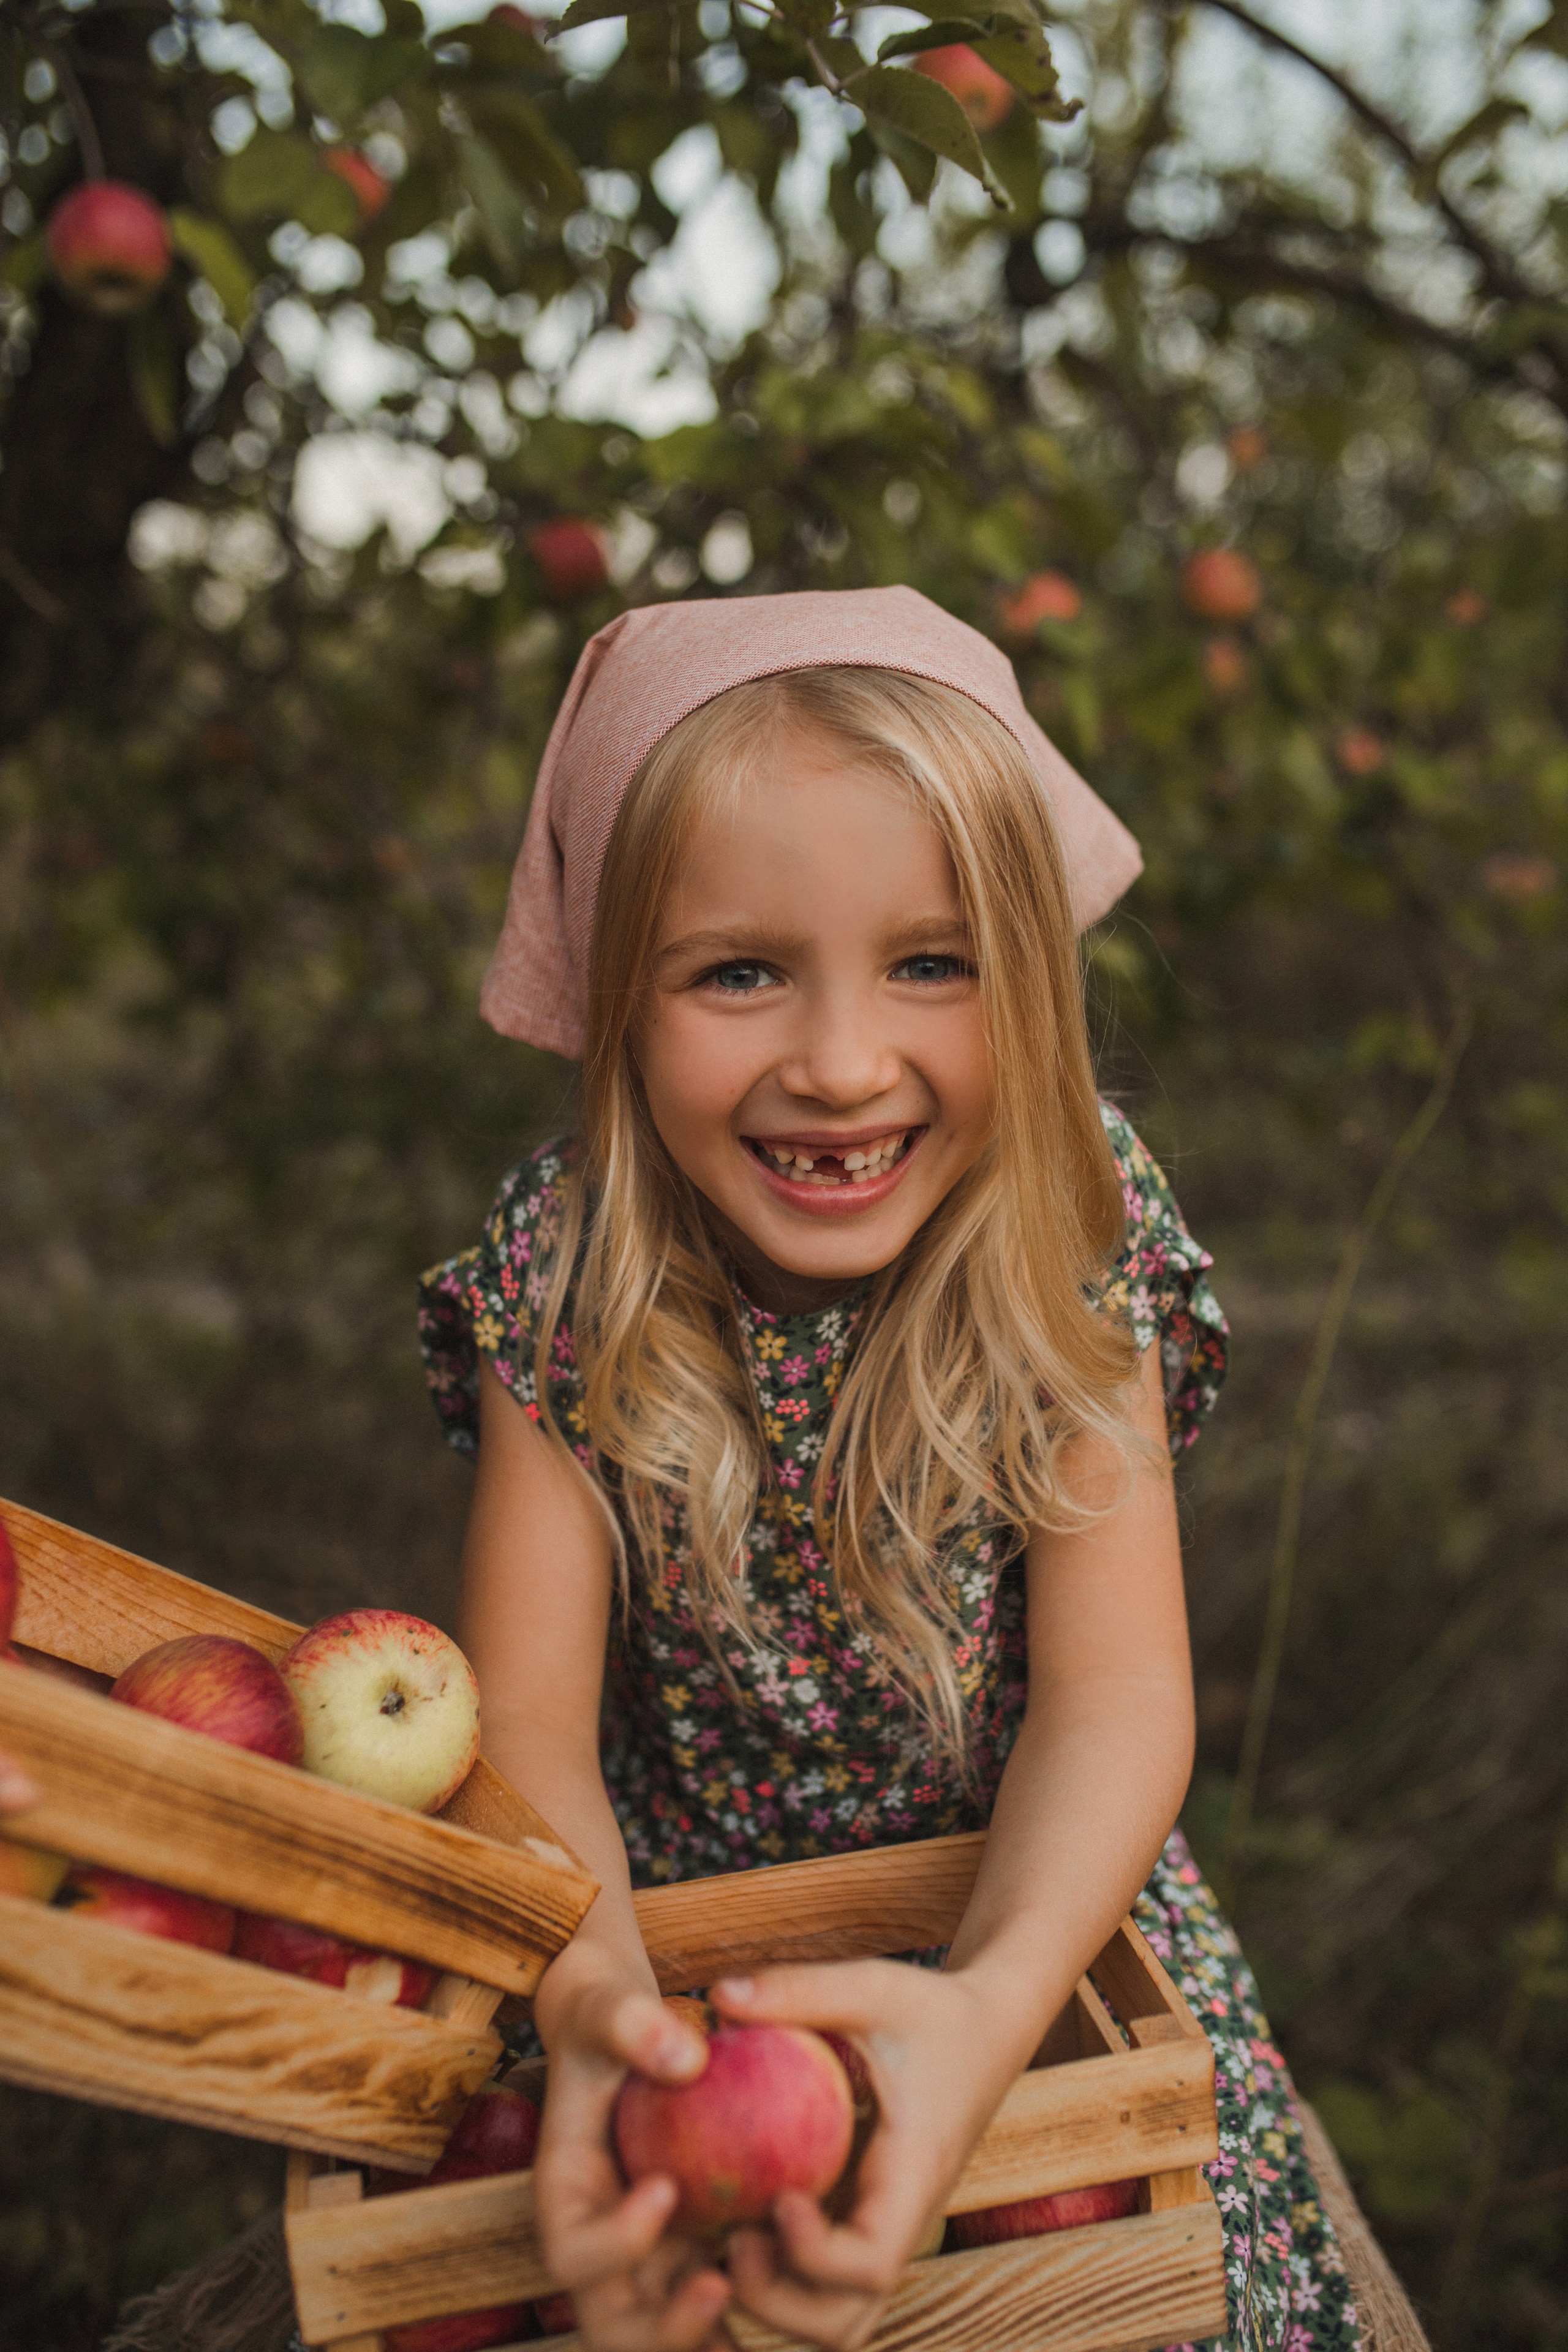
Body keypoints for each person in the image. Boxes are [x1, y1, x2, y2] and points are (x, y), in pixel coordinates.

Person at [420, 589, 1359, 2352]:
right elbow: (527, 1721)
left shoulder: (1070, 1221)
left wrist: (1000, 2001)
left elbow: (1114, 1697)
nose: (843, 1066)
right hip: (670, 1948)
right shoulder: (571, 1261)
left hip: (1036, 1912)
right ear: (619, 1002)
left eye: (934, 964)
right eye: (738, 972)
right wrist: (597, 2001)